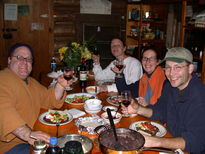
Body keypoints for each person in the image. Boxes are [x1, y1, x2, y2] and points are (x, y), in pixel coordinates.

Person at [123, 47, 205, 154]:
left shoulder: (199, 96)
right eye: (168, 67)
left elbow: (196, 142)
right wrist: (138, 109)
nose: (171, 73)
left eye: (177, 67)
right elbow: (160, 112)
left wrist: (155, 142)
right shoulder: (169, 86)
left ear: (190, 69)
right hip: (170, 141)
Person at [0, 43, 73, 154]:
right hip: (12, 146)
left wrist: (60, 86)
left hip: (34, 134)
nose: (25, 62)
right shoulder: (3, 78)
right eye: (19, 57)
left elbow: (48, 99)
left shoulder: (31, 82)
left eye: (29, 59)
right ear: (9, 60)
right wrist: (28, 134)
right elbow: (3, 110)